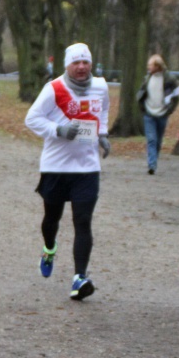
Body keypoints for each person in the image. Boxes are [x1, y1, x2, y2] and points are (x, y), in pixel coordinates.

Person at [24, 42, 111, 301]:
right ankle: (49, 248)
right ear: (67, 65)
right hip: (56, 167)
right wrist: (58, 130)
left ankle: (79, 278)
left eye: (85, 62)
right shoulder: (54, 89)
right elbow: (32, 118)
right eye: (76, 62)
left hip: (87, 167)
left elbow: (103, 111)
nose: (82, 67)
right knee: (52, 219)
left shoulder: (101, 86)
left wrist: (103, 134)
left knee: (82, 221)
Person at [136, 54, 179, 175]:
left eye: (150, 65)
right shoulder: (147, 79)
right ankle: (152, 165)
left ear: (157, 66)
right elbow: (141, 93)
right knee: (151, 139)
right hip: (148, 113)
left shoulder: (170, 79)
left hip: (162, 114)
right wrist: (141, 106)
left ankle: (154, 160)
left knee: (158, 141)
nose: (148, 67)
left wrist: (170, 110)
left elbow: (177, 96)